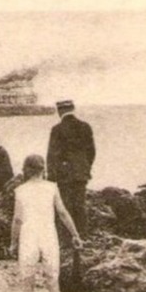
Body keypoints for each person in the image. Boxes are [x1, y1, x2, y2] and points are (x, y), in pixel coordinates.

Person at [10, 154, 81, 292]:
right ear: (43, 169)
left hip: (28, 236)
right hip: (48, 234)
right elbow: (63, 213)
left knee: (28, 281)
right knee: (52, 280)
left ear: (26, 170)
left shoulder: (20, 191)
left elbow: (17, 219)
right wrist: (75, 235)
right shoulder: (52, 187)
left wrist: (13, 242)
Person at [45, 99, 96, 237]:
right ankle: (83, 236)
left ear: (59, 111)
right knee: (80, 205)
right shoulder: (85, 127)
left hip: (64, 174)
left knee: (66, 206)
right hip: (81, 173)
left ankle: (68, 237)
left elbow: (52, 155)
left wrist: (51, 176)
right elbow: (91, 152)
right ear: (73, 109)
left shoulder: (57, 129)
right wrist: (85, 168)